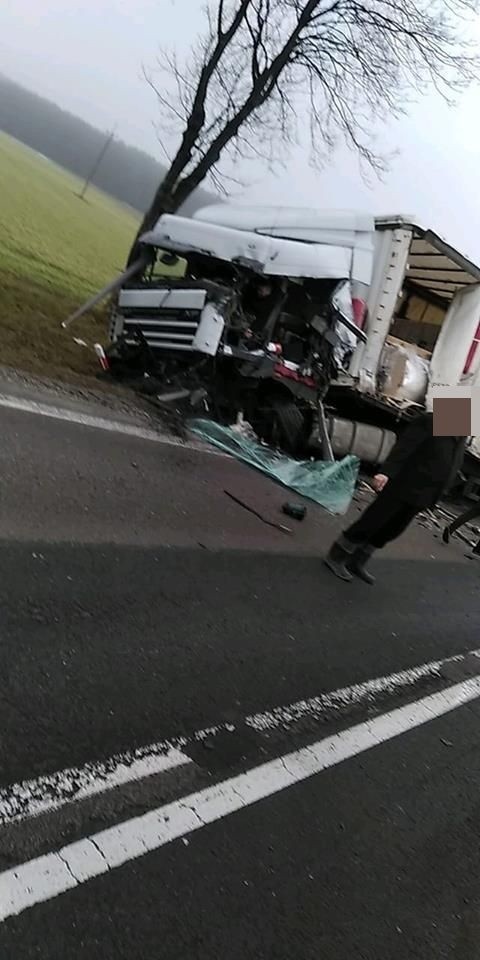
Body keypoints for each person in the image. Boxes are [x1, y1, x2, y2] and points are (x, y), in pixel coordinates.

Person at [325, 412, 466, 585]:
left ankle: (358, 560)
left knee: (393, 529)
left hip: (425, 493)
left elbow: (453, 463)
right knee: (373, 521)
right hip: (404, 483)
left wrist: (439, 492)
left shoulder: (461, 433)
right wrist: (386, 472)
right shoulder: (431, 420)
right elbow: (405, 447)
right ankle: (337, 556)